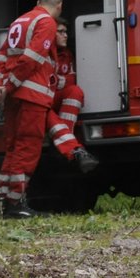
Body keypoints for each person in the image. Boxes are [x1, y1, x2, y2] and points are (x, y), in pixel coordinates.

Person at [0, 0, 64, 218]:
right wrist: (11, 85)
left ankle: (4, 200)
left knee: (12, 147)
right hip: (31, 95)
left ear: (37, 2)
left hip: (13, 96)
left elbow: (2, 57)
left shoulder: (18, 22)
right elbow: (31, 59)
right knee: (27, 147)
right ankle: (16, 204)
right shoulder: (47, 23)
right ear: (59, 6)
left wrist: (2, 86)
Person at [44, 23, 99, 174]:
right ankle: (70, 146)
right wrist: (58, 81)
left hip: (53, 96)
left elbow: (72, 78)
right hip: (41, 100)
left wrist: (58, 81)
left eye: (66, 31)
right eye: (61, 31)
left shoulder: (67, 54)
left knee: (75, 92)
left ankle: (62, 141)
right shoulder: (42, 52)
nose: (66, 35)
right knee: (41, 106)